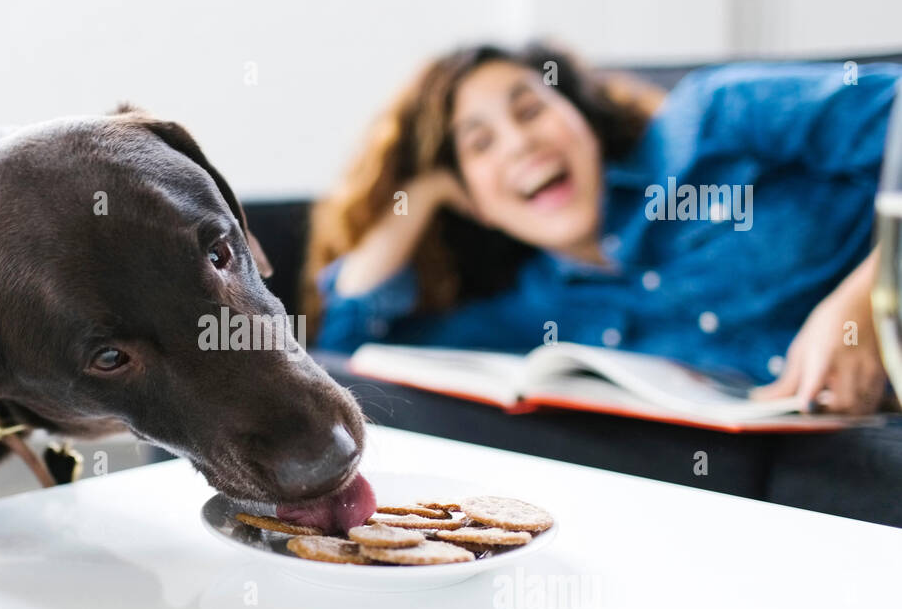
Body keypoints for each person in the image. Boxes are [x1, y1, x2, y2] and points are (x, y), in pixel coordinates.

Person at [302, 43, 902, 414]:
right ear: (475, 205)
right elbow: (349, 351)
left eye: (532, 109)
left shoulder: (716, 117)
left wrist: (871, 299)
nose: (521, 143)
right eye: (480, 145)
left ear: (581, 116)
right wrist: (422, 193)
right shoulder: (537, 307)